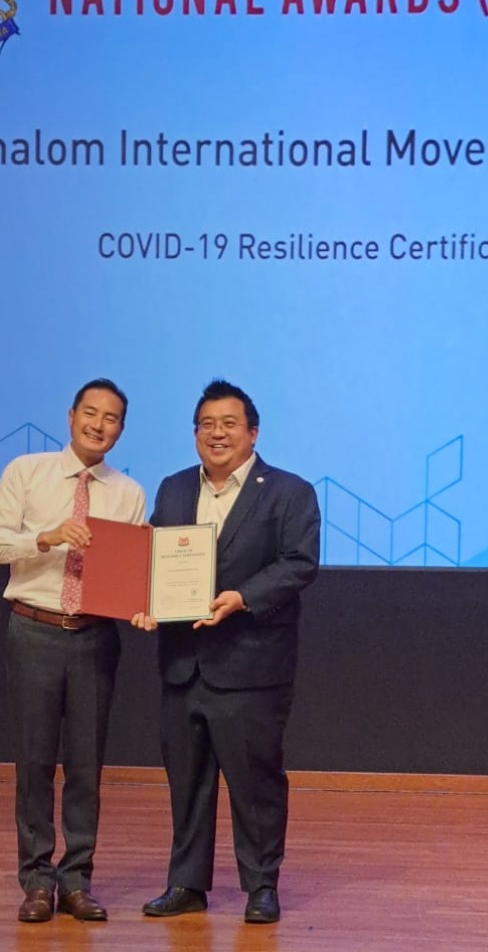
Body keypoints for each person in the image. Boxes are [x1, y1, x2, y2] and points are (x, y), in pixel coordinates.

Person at [132, 379, 320, 925]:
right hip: (181, 663)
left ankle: (261, 885)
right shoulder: (172, 488)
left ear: (252, 433)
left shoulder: (288, 491)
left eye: (229, 423)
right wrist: (144, 602)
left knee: (256, 783)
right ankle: (186, 883)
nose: (217, 433)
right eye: (207, 424)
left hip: (250, 664)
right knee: (186, 782)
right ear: (195, 433)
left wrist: (242, 597)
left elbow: (299, 563)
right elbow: (153, 559)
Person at [0, 379, 145, 924]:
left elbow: (132, 571)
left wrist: (142, 603)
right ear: (71, 416)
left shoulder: (128, 492)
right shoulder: (27, 472)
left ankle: (76, 881)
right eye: (90, 413)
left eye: (111, 418)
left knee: (86, 765)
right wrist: (46, 538)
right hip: (35, 629)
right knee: (33, 762)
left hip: (95, 635)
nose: (99, 425)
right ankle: (36, 881)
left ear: (121, 430)